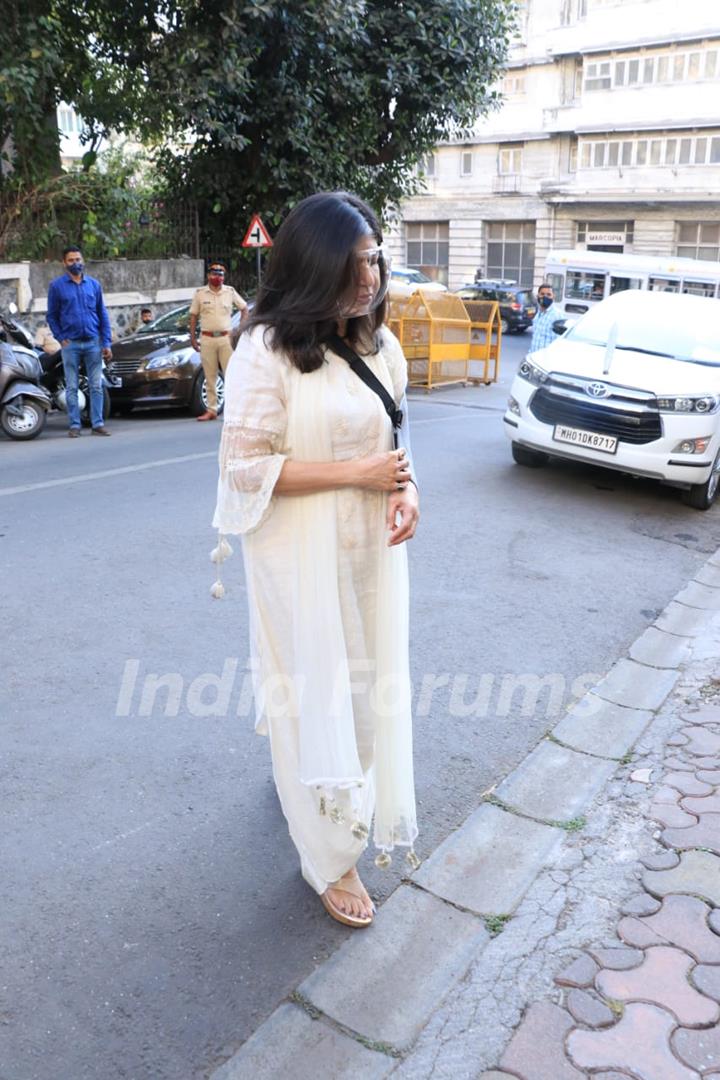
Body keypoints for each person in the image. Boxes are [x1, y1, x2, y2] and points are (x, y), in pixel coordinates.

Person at [213, 192, 420, 928]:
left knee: (362, 688)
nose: (368, 276)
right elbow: (244, 471)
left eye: (373, 259)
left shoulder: (379, 346)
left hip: (369, 552)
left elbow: (395, 440)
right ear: (312, 264)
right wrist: (354, 476)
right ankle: (331, 856)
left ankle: (319, 779)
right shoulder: (263, 351)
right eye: (352, 262)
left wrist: (406, 489)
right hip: (296, 555)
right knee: (316, 690)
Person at [46, 246, 113, 437]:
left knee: (96, 385)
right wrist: (60, 338)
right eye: (71, 260)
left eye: (78, 259)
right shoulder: (57, 286)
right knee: (72, 386)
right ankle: (74, 425)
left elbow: (102, 314)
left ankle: (97, 424)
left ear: (83, 261)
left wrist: (106, 342)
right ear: (64, 263)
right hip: (71, 344)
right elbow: (52, 316)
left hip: (93, 342)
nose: (75, 263)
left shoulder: (93, 285)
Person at [189, 263, 248, 421]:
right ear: (208, 276)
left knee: (231, 374)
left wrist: (239, 330)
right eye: (215, 274)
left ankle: (235, 409)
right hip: (207, 338)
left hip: (226, 338)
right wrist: (193, 338)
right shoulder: (200, 294)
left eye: (221, 275)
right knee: (210, 376)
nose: (218, 278)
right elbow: (193, 316)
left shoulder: (229, 292)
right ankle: (212, 410)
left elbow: (244, 308)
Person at [528, 282, 562, 354]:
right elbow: (536, 338)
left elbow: (560, 342)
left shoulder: (557, 315)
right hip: (533, 358)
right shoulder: (538, 314)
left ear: (553, 296)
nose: (545, 297)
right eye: (542, 294)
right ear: (538, 295)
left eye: (548, 294)